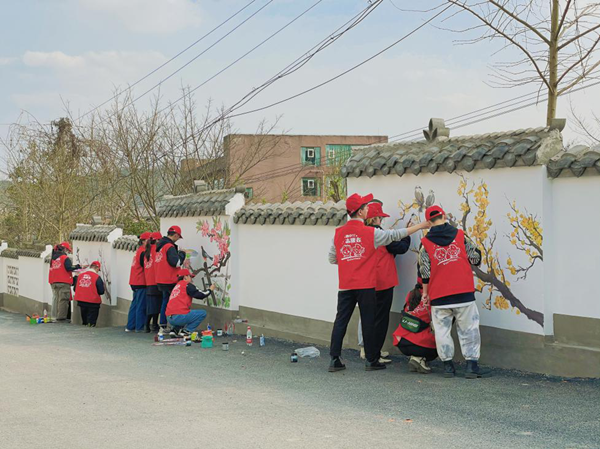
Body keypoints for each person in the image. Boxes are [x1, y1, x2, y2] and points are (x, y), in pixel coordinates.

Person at [328, 193, 430, 373]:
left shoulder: (338, 233)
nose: (368, 209)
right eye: (366, 207)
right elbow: (395, 235)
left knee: (341, 320)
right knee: (368, 320)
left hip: (345, 285)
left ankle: (334, 359)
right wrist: (421, 226)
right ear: (360, 212)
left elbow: (332, 258)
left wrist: (350, 261)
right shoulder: (371, 233)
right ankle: (371, 360)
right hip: (365, 284)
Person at [419, 205, 490, 379]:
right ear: (443, 215)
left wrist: (425, 293)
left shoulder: (425, 244)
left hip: (439, 295)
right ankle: (471, 366)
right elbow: (475, 257)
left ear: (429, 222)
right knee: (469, 329)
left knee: (442, 331)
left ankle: (448, 367)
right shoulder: (460, 236)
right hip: (463, 292)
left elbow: (425, 272)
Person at [358, 201, 411, 364]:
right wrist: (407, 234)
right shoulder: (382, 235)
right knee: (380, 318)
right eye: (380, 217)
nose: (382, 220)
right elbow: (401, 247)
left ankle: (367, 349)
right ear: (375, 218)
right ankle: (375, 353)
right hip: (383, 281)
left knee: (367, 316)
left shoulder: (361, 233)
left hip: (364, 281)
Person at [392, 281, 438, 374]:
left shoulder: (412, 293)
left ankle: (415, 357)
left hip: (400, 341)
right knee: (442, 340)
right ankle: (420, 358)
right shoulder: (432, 296)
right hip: (420, 344)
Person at [165, 268, 214, 337]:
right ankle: (187, 331)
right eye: (190, 276)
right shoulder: (187, 285)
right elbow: (201, 295)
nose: (191, 279)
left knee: (185, 312)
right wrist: (210, 290)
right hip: (179, 317)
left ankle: (174, 330)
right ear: (185, 277)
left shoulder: (176, 286)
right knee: (202, 313)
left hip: (169, 318)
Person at [155, 225, 186, 331]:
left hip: (160, 279)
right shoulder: (169, 246)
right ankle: (175, 325)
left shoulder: (160, 246)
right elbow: (176, 263)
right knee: (174, 302)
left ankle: (162, 325)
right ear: (176, 235)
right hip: (170, 279)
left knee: (165, 301)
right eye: (178, 237)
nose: (178, 240)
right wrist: (182, 254)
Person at [48, 241, 82, 321]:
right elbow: (69, 268)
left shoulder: (53, 258)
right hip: (63, 282)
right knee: (63, 300)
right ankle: (61, 318)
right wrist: (78, 267)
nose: (68, 252)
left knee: (56, 299)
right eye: (68, 250)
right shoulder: (64, 258)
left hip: (54, 282)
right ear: (65, 249)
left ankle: (55, 316)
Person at [126, 232, 150, 332]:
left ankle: (130, 326)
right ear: (144, 241)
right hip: (141, 281)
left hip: (134, 281)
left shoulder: (138, 251)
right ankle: (139, 327)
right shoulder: (143, 252)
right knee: (141, 305)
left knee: (135, 304)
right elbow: (145, 267)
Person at [73, 261, 105, 327]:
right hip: (93, 302)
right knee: (91, 321)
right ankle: (90, 331)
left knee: (84, 320)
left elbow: (75, 288)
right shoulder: (97, 277)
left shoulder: (80, 276)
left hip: (81, 301)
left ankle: (85, 330)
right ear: (97, 268)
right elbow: (101, 291)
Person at [144, 232, 162, 333]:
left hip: (148, 281)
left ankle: (150, 324)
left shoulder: (147, 251)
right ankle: (153, 324)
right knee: (156, 305)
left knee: (152, 305)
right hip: (156, 281)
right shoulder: (157, 250)